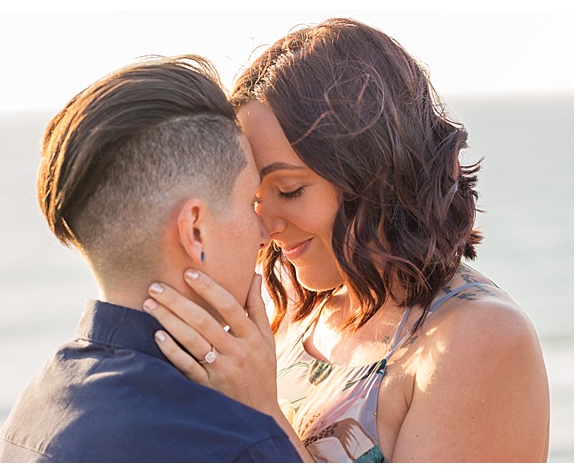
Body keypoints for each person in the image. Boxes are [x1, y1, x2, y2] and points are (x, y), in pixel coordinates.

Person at [143, 18, 551, 462]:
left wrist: (259, 410)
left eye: (290, 190)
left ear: (375, 172)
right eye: (254, 199)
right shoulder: (292, 314)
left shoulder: (478, 338)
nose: (264, 229)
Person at [0, 55, 304, 463]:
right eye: (251, 203)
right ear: (195, 230)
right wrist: (265, 414)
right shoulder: (229, 441)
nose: (265, 236)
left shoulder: (36, 405)